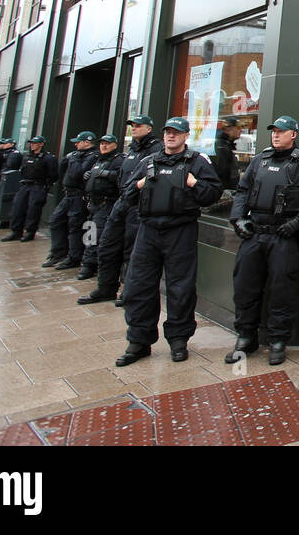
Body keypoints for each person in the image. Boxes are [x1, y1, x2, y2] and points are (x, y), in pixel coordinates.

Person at [227, 116, 299, 366]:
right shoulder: (260, 160)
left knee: (281, 291)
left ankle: (278, 340)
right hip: (254, 234)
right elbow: (243, 191)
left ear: (293, 135)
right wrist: (238, 219)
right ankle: (245, 337)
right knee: (245, 288)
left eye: (281, 131)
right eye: (273, 131)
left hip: (284, 236)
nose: (276, 135)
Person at [115, 117, 223, 366]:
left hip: (180, 230)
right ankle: (139, 341)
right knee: (138, 286)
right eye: (168, 132)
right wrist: (140, 184)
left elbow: (212, 194)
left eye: (176, 133)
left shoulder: (197, 161)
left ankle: (178, 340)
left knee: (180, 288)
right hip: (148, 230)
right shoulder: (147, 162)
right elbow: (127, 195)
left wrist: (195, 184)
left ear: (186, 136)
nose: (171, 136)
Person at [79, 116, 160, 306]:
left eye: (138, 126)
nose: (134, 129)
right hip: (121, 202)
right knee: (107, 246)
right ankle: (106, 288)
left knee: (133, 251)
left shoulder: (156, 149)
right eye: (133, 126)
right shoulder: (131, 149)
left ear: (149, 129)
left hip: (139, 206)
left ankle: (129, 291)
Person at [44, 132, 98, 270]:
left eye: (79, 142)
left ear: (87, 142)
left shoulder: (92, 156)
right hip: (68, 195)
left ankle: (74, 257)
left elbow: (77, 174)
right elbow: (61, 171)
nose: (76, 144)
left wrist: (74, 159)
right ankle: (59, 252)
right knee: (55, 220)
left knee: (76, 226)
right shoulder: (76, 155)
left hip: (79, 196)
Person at [76, 134, 124, 280]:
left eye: (107, 143)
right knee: (89, 233)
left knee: (98, 235)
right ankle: (87, 262)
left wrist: (107, 174)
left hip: (106, 204)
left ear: (115, 145)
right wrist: (88, 176)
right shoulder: (97, 159)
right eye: (102, 143)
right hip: (93, 204)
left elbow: (122, 177)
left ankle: (90, 265)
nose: (104, 146)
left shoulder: (119, 160)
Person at [1, 136, 58, 242]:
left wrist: (45, 186)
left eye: (35, 143)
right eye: (31, 143)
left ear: (41, 144)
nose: (32, 145)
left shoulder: (48, 158)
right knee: (17, 208)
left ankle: (30, 232)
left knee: (33, 210)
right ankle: (16, 231)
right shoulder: (26, 156)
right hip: (25, 185)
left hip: (38, 186)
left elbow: (54, 175)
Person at [213, 116, 242, 190]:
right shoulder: (222, 148)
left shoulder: (225, 145)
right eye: (238, 127)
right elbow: (221, 174)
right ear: (227, 129)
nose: (241, 130)